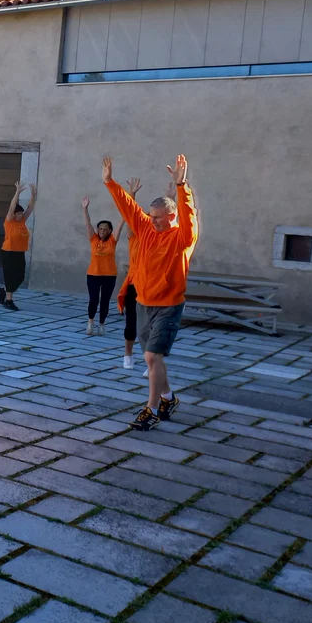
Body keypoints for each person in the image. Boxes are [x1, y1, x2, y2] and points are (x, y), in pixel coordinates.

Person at [104, 154, 198, 431]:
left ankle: (152, 409)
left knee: (152, 357)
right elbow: (128, 206)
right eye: (151, 216)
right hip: (144, 303)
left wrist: (182, 187)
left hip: (168, 305)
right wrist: (110, 182)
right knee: (152, 358)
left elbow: (189, 216)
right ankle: (168, 398)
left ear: (171, 216)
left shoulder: (182, 237)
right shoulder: (145, 228)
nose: (152, 221)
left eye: (159, 218)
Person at [82, 195, 124, 336]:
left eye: (105, 229)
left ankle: (102, 324)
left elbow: (120, 224)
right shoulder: (93, 239)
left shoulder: (112, 240)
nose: (102, 231)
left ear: (110, 231)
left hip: (109, 275)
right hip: (93, 275)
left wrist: (127, 204)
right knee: (94, 299)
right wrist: (85, 209)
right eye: (100, 228)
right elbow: (88, 224)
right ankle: (90, 322)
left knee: (105, 301)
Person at [116, 178, 143, 369]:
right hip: (135, 286)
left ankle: (152, 361)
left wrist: (170, 197)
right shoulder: (135, 238)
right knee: (131, 322)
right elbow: (130, 215)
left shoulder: (159, 240)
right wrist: (132, 195)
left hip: (152, 286)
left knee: (150, 325)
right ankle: (128, 355)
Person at [0, 182, 36, 310]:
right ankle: (9, 301)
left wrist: (33, 195)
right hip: (8, 252)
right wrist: (17, 192)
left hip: (20, 252)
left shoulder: (22, 222)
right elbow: (11, 207)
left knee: (20, 276)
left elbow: (30, 208)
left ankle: (4, 290)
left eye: (21, 214)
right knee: (10, 276)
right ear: (14, 215)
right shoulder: (9, 222)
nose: (21, 215)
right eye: (19, 214)